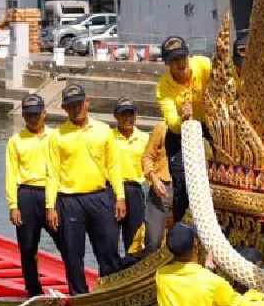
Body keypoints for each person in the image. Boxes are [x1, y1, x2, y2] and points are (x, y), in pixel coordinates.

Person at [45, 83, 125, 294]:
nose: (76, 109)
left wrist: (120, 197)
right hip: (69, 201)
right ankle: (79, 298)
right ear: (64, 108)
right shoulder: (57, 136)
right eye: (71, 106)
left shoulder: (104, 131)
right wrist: (50, 206)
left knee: (108, 251)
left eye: (79, 104)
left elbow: (113, 167)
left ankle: (111, 294)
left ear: (87, 103)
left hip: (100, 196)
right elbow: (52, 173)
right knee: (72, 254)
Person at [155, 35, 213, 226]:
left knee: (218, 174)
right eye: (174, 60)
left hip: (208, 126)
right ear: (167, 63)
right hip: (181, 131)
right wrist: (183, 120)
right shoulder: (164, 86)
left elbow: (224, 79)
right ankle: (181, 228)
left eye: (183, 57)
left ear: (189, 55)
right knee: (182, 182)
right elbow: (171, 121)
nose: (181, 63)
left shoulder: (203, 65)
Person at [5, 93, 59, 297]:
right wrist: (13, 205)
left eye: (37, 114)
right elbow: (11, 174)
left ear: (44, 114)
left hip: (52, 193)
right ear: (24, 116)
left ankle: (76, 285)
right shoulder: (15, 141)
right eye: (29, 115)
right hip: (26, 194)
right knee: (28, 248)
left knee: (67, 242)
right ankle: (34, 292)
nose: (33, 118)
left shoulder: (55, 136)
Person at [109, 96, 149, 252]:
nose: (127, 118)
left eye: (130, 114)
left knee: (134, 241)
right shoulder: (108, 137)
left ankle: (132, 271)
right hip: (111, 191)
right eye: (123, 114)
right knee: (109, 238)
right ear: (116, 116)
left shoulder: (145, 138)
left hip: (135, 190)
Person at [140, 120, 172, 252]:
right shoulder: (162, 127)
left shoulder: (195, 129)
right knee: (153, 242)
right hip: (162, 187)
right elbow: (147, 157)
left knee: (181, 242)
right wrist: (154, 178)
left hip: (187, 191)